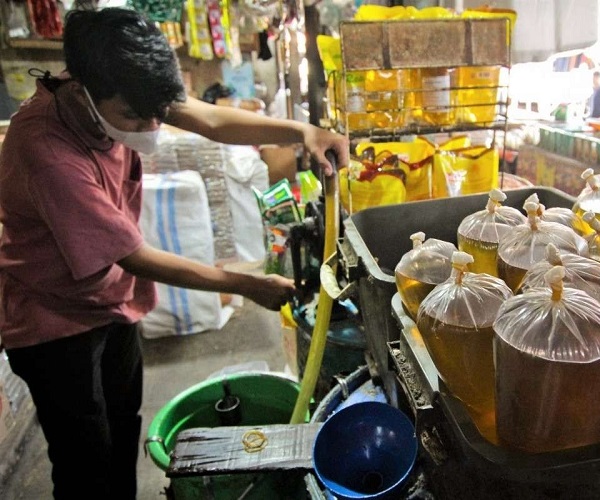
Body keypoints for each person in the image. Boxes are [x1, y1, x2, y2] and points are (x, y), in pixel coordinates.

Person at [0, 7, 348, 500]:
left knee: (122, 430)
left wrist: (301, 132)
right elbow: (133, 255)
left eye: (157, 114)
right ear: (81, 89)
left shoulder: (126, 86)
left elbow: (206, 118)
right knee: (83, 461)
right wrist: (247, 285)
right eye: (133, 118)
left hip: (110, 303)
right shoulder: (46, 150)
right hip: (51, 318)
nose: (148, 126)